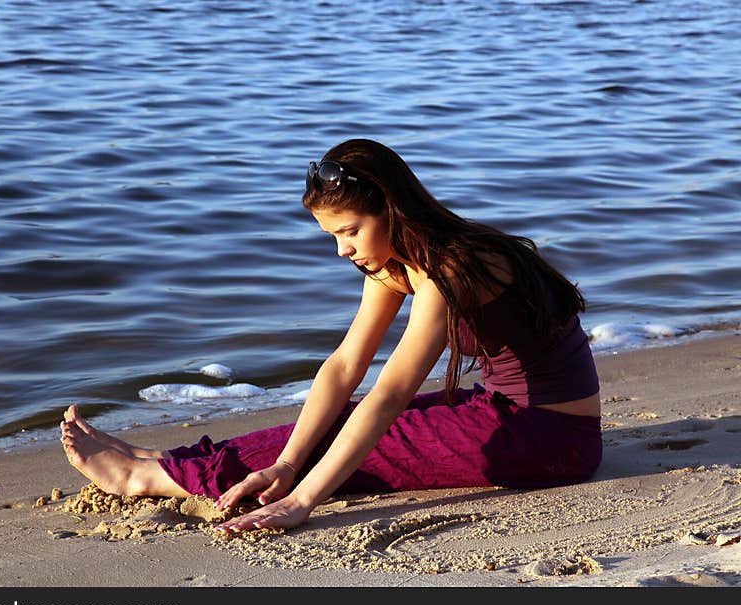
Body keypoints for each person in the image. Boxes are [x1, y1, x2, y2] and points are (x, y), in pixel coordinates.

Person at [60, 138, 602, 534]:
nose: (342, 249)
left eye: (348, 231)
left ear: (391, 209)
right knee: (320, 431)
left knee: (361, 439)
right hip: (500, 408)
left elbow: (390, 394)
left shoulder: (451, 268)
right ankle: (174, 459)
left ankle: (147, 478)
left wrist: (304, 498)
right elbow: (345, 366)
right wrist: (289, 465)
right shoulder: (399, 261)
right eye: (332, 236)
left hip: (551, 438)